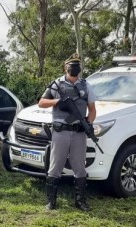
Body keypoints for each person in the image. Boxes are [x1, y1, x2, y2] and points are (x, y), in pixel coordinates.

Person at [38, 53, 97, 211]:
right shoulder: (57, 84)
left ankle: (80, 201)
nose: (75, 68)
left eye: (77, 65)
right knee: (55, 166)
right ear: (66, 67)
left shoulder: (86, 85)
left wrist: (89, 124)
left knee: (79, 167)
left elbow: (92, 109)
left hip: (79, 132)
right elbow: (41, 103)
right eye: (72, 65)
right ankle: (51, 202)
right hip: (61, 131)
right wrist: (57, 101)